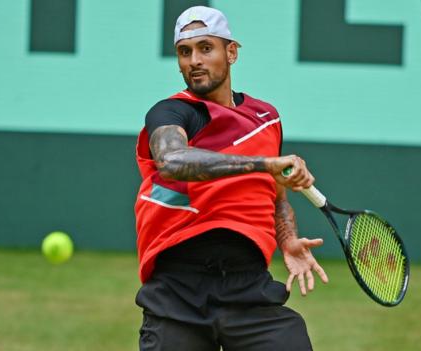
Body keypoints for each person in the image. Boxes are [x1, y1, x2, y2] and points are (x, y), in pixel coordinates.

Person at [134, 6, 328, 351]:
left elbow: (275, 198)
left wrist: (288, 241)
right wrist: (264, 163)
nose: (194, 60)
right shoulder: (170, 112)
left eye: (206, 48)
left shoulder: (266, 118)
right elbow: (172, 161)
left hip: (247, 288)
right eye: (185, 52)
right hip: (178, 291)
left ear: (232, 52)